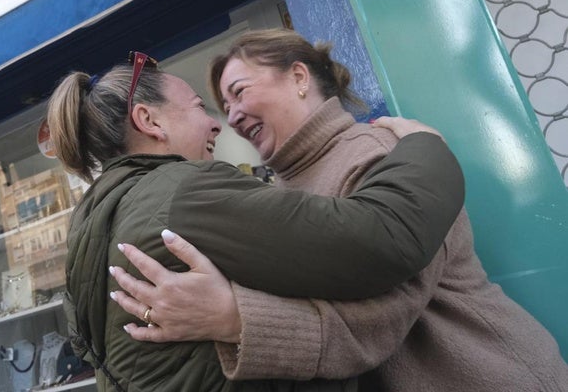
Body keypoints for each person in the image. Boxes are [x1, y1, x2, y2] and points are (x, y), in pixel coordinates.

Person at [109, 29, 568, 391]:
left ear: (299, 77)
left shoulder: (381, 151)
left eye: (240, 91)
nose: (230, 116)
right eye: (223, 105)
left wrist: (235, 318)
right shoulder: (275, 189)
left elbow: (386, 312)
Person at [47, 50, 466, 391]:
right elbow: (383, 239)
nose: (219, 121)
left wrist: (235, 315)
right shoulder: (182, 191)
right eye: (201, 105)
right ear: (149, 120)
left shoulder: (94, 218)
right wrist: (426, 147)